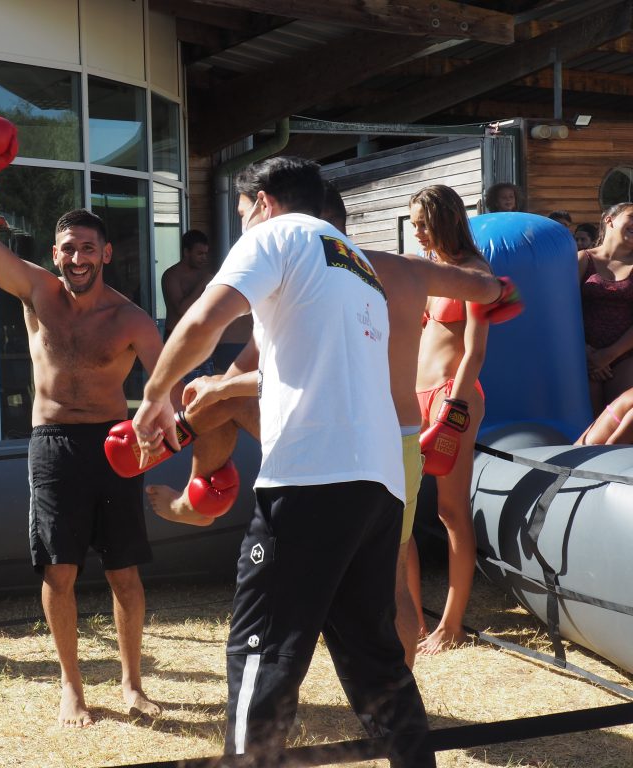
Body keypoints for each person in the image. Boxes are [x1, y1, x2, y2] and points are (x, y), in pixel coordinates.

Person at [134, 182, 518, 671]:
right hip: (391, 429)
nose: (248, 228)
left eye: (247, 215)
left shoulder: (319, 268)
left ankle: (197, 494)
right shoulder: (398, 267)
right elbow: (493, 290)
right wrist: (502, 290)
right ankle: (398, 692)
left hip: (362, 423)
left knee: (436, 527)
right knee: (395, 575)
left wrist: (456, 407)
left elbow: (307, 363)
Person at [132, 156, 434, 766]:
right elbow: (293, 369)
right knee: (373, 657)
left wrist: (154, 394)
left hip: (311, 481)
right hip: (378, 482)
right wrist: (217, 394)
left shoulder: (277, 234)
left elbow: (205, 319)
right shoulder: (353, 263)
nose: (242, 227)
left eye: (242, 214)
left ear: (264, 202)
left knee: (261, 653)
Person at [0, 114, 164, 727]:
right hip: (51, 445)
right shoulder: (38, 293)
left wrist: (160, 438)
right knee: (60, 568)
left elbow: (165, 386)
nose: (77, 258)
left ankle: (131, 682)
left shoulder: (132, 320)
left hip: (113, 442)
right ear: (55, 254)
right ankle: (72, 686)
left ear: (106, 253)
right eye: (67, 249)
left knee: (125, 573)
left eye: (87, 248)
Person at [411, 184, 493, 655]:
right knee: (398, 509)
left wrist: (453, 409)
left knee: (450, 510)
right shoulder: (429, 270)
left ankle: (452, 624)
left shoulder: (476, 273)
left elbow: (475, 352)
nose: (418, 232)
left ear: (445, 220)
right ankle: (410, 615)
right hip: (418, 395)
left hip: (452, 397)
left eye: (423, 223)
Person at [579, 202, 633, 414]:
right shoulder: (584, 259)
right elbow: (562, 311)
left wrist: (609, 355)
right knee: (588, 426)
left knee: (621, 428)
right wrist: (583, 350)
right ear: (609, 220)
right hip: (582, 356)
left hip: (625, 355)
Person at [161, 230, 213, 338]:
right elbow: (182, 310)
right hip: (176, 335)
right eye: (199, 254)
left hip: (201, 335)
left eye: (205, 253)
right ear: (186, 252)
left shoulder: (204, 273)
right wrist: (203, 283)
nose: (204, 258)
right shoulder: (171, 275)